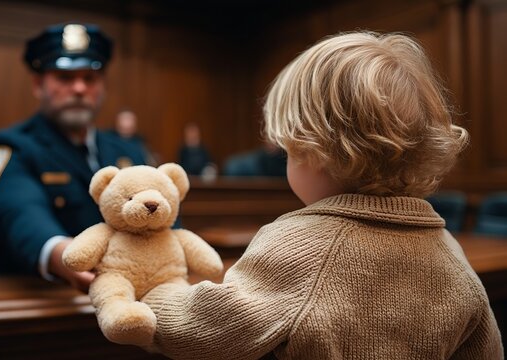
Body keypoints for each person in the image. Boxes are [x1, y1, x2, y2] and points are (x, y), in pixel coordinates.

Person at [135, 32, 503, 358]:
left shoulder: (299, 246)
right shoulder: (451, 254)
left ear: (315, 150)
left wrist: (152, 291)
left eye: (289, 150)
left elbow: (202, 330)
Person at [0, 23, 146, 291]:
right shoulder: (10, 147)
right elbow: (21, 216)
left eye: (90, 78)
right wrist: (66, 257)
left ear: (102, 87)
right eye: (65, 78)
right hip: (39, 302)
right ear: (38, 85)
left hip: (130, 295)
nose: (79, 88)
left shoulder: (129, 152)